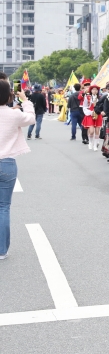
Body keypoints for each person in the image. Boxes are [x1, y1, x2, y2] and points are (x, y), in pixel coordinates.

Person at [0, 81, 33, 260]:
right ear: (9, 96)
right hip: (6, 163)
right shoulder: (14, 115)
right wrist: (25, 100)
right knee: (3, 207)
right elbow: (31, 118)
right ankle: (1, 250)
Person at [80, 84, 101, 150]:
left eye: (96, 90)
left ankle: (95, 145)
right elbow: (85, 106)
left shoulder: (100, 98)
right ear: (91, 90)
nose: (95, 91)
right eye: (93, 89)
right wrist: (89, 112)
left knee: (97, 130)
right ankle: (90, 143)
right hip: (90, 114)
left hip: (98, 114)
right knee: (91, 131)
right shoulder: (87, 97)